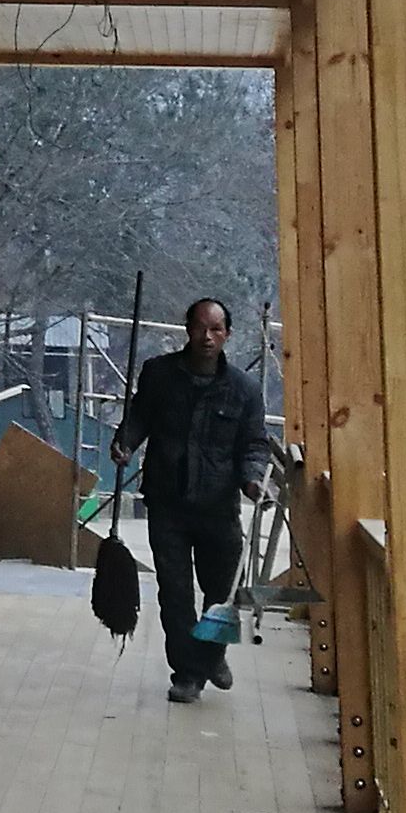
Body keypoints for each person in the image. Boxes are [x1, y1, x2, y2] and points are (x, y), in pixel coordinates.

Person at [113, 296, 275, 703]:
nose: (207, 336)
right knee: (175, 592)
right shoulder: (160, 375)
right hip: (167, 502)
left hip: (218, 507)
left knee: (221, 591)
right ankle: (187, 673)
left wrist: (253, 480)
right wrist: (125, 442)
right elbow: (138, 417)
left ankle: (212, 655)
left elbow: (254, 444)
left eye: (216, 329)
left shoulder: (244, 389)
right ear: (188, 329)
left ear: (227, 335)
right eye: (201, 327)